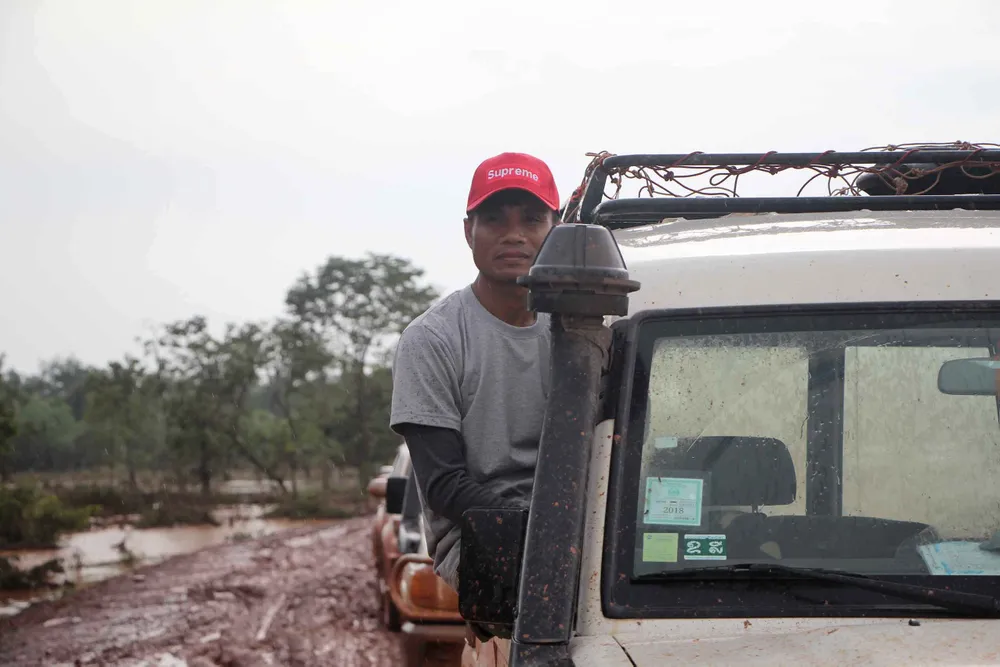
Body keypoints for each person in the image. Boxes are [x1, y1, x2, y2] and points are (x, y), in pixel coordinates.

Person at [389, 152, 561, 594]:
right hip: (479, 536)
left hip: (579, 522)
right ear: (469, 231)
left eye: (530, 219)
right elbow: (445, 485)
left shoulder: (580, 328)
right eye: (494, 220)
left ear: (556, 229)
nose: (513, 235)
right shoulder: (432, 339)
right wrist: (540, 528)